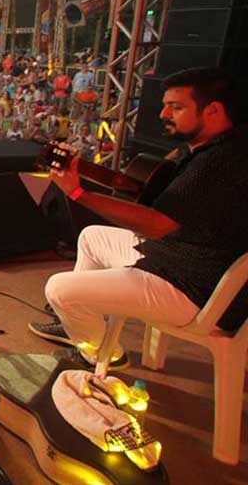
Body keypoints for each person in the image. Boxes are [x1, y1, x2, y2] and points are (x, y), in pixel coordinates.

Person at [29, 68, 248, 369]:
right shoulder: (214, 150)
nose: (163, 113)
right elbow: (144, 191)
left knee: (59, 290)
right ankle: (77, 327)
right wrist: (83, 169)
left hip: (193, 287)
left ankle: (102, 354)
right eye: (165, 104)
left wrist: (79, 193)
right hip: (183, 261)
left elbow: (156, 224)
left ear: (212, 110)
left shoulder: (215, 165)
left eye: (177, 107)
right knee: (93, 237)